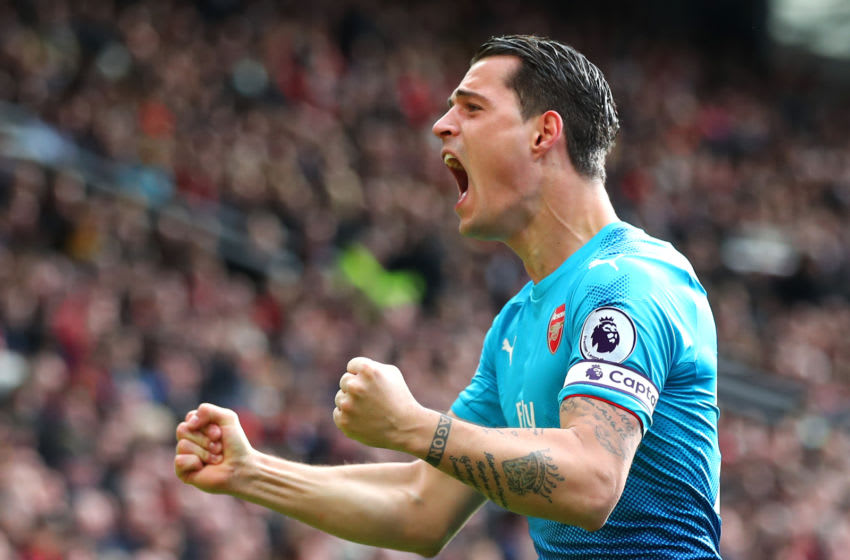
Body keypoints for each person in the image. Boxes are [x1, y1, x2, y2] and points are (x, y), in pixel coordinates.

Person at [174, 34, 721, 559]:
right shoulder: (514, 326)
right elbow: (421, 507)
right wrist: (253, 473)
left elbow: (593, 480)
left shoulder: (630, 280)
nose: (441, 125)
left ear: (543, 133)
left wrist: (413, 425)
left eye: (472, 108)